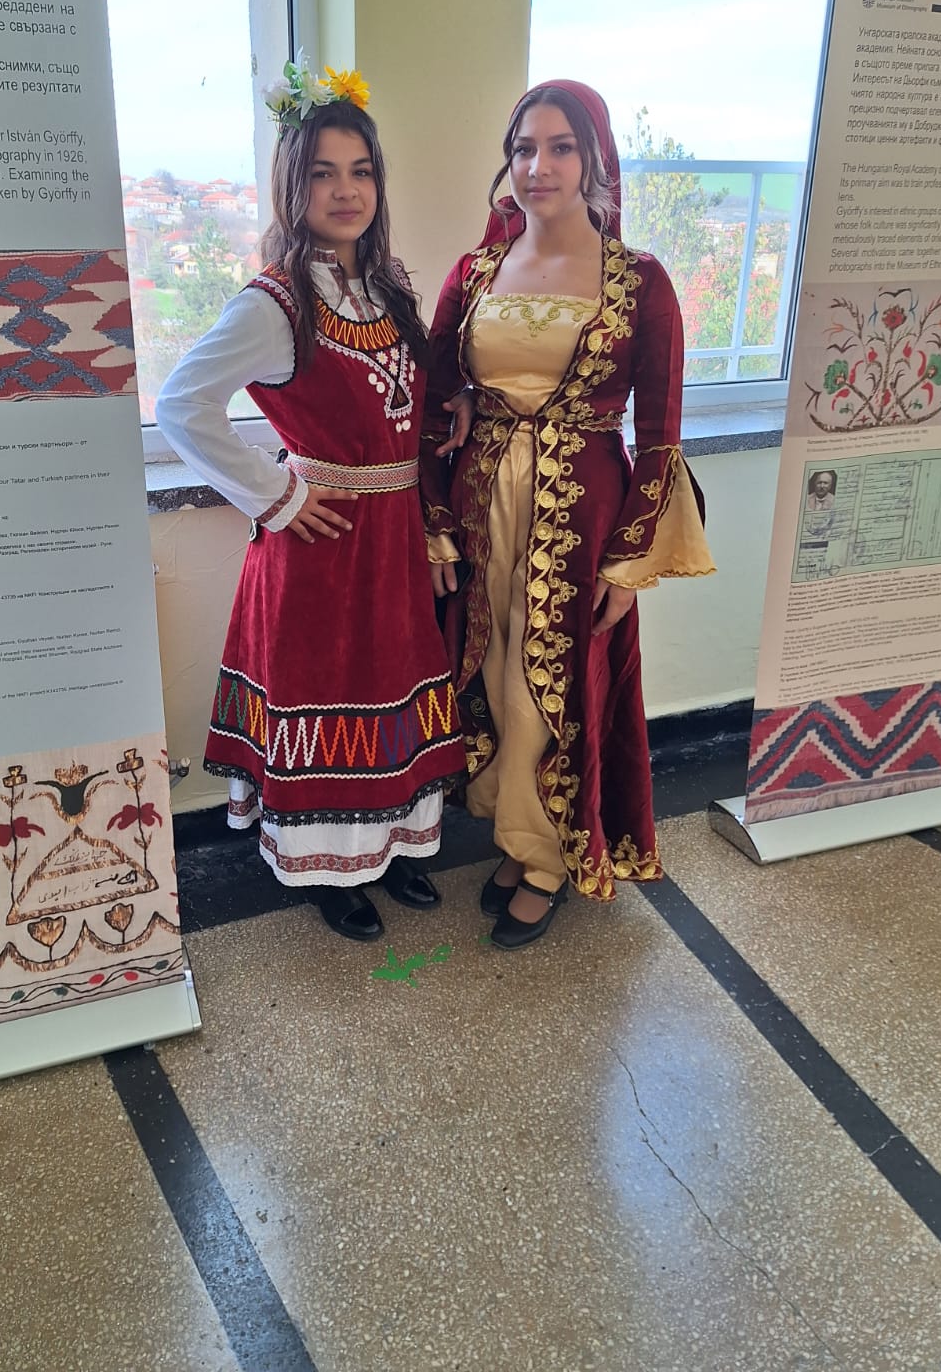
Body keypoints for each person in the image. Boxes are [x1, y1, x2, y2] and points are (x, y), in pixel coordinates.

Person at [155, 57, 466, 941]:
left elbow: (398, 399)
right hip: (323, 547)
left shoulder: (386, 284)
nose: (346, 190)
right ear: (294, 186)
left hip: (392, 539)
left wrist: (449, 410)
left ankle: (389, 848)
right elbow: (182, 403)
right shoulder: (276, 302)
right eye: (324, 173)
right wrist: (278, 495)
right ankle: (329, 871)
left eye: (360, 171)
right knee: (327, 697)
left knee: (390, 687)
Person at [421, 80, 715, 949]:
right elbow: (436, 400)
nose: (537, 166)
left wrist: (630, 561)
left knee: (548, 687)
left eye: (559, 148)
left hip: (580, 517)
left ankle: (547, 858)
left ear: (593, 160)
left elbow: (659, 435)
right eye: (523, 148)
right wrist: (435, 516)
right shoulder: (474, 272)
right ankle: (516, 837)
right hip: (483, 503)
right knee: (491, 671)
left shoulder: (639, 281)